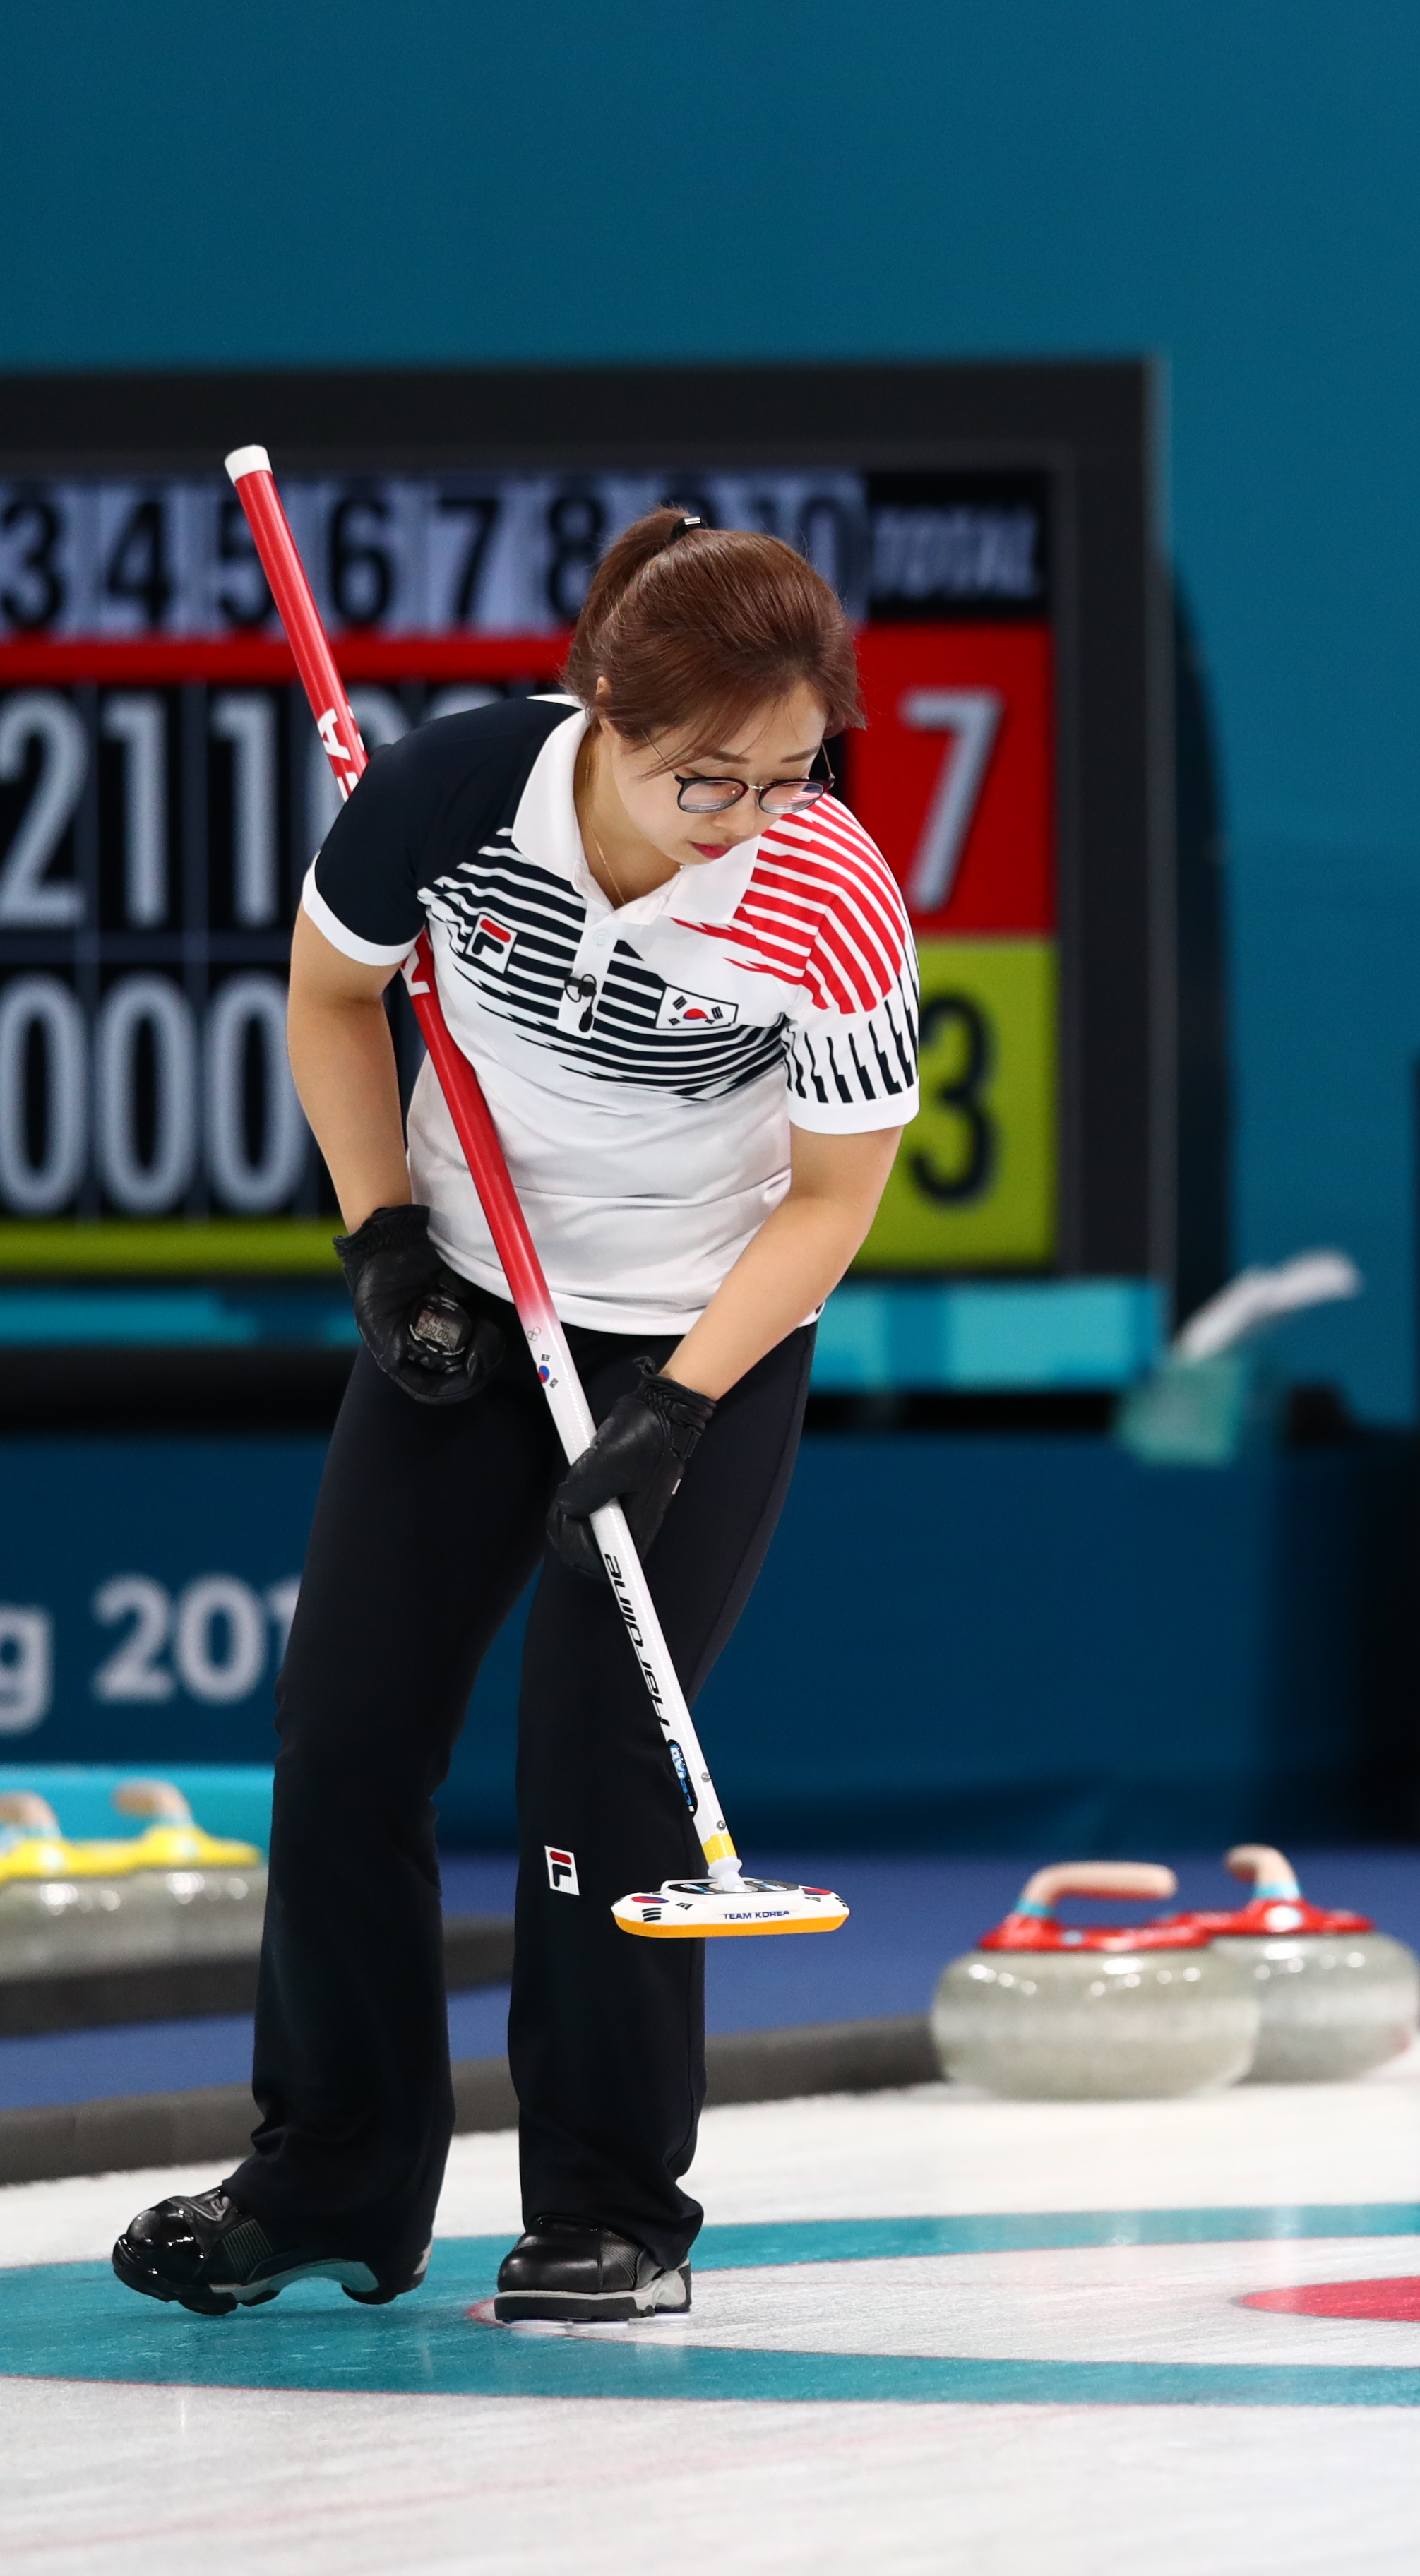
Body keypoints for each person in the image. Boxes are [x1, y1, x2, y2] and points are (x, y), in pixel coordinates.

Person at [109, 509, 921, 2327]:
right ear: (598, 716)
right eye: (704, 780)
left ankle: (614, 2208)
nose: (751, 819)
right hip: (468, 1307)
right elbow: (333, 999)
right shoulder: (453, 796)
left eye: (793, 773)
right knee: (344, 1740)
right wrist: (382, 1238)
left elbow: (831, 1201)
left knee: (598, 1763)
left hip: (701, 1334)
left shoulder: (831, 891)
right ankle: (334, 2175)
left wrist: (677, 1410)